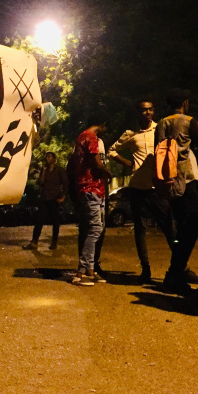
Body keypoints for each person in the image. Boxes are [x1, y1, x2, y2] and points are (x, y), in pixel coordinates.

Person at [107, 97, 175, 284]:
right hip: (137, 188)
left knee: (170, 228)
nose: (148, 113)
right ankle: (145, 269)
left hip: (157, 188)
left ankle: (180, 267)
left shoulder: (160, 130)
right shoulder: (131, 134)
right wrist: (127, 162)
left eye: (151, 109)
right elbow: (111, 151)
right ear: (138, 112)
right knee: (140, 230)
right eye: (144, 110)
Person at [155, 89, 198, 295]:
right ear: (185, 103)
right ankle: (175, 273)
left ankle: (175, 272)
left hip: (169, 181)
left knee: (181, 227)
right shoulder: (189, 121)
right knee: (192, 224)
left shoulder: (161, 123)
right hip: (186, 179)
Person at [70, 113, 112, 286]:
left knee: (92, 228)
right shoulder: (92, 137)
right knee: (95, 229)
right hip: (91, 188)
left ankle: (90, 270)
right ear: (102, 124)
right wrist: (108, 172)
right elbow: (96, 162)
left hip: (88, 188)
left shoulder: (80, 137)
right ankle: (81, 272)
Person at [23, 151, 68, 250]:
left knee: (55, 221)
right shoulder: (44, 170)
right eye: (46, 157)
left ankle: (54, 242)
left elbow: (65, 183)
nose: (47, 158)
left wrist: (63, 196)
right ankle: (34, 242)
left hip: (54, 198)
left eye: (49, 157)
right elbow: (40, 182)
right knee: (39, 220)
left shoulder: (59, 170)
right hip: (44, 198)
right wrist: (43, 171)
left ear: (54, 159)